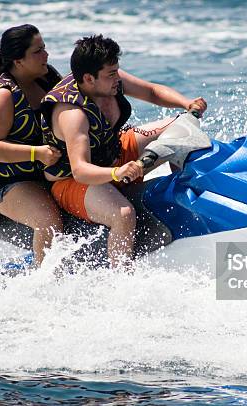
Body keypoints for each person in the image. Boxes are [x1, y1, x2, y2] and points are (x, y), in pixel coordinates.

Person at [41, 34, 207, 267]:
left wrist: (186, 103)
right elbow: (80, 170)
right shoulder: (72, 114)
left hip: (114, 153)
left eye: (116, 71)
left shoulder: (110, 80)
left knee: (180, 129)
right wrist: (116, 174)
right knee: (124, 215)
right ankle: (120, 277)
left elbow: (151, 92)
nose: (117, 78)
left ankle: (185, 194)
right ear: (89, 78)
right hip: (74, 181)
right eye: (111, 74)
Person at [0, 24, 64, 267]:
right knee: (49, 222)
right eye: (38, 51)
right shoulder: (0, 96)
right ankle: (41, 282)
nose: (46, 55)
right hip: (9, 180)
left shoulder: (47, 78)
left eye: (44, 48)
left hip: (49, 170)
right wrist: (38, 153)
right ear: (18, 60)